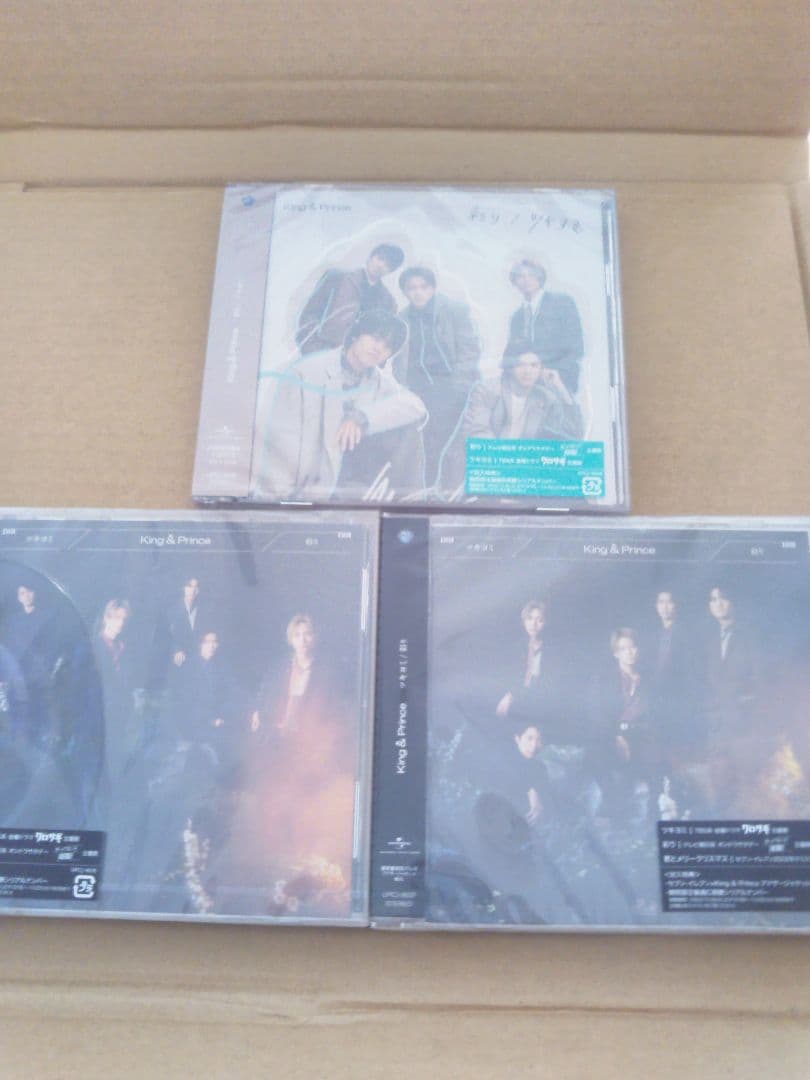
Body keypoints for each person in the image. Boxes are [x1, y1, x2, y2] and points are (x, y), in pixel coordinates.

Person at [253, 309, 426, 501]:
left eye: (387, 347)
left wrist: (360, 417)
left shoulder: (381, 382)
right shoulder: (305, 373)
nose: (379, 348)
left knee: (409, 427)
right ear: (356, 335)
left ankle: (409, 504)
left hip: (352, 479)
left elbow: (416, 406)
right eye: (375, 338)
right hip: (313, 481)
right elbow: (282, 439)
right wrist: (277, 498)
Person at [395, 266, 481, 489]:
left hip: (450, 385)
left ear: (432, 288)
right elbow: (399, 359)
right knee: (419, 442)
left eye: (423, 287)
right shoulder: (402, 318)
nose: (418, 293)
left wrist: (459, 386)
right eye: (412, 288)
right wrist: (401, 388)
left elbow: (470, 350)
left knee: (442, 443)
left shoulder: (454, 310)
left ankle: (440, 489)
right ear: (405, 292)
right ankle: (426, 489)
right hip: (419, 389)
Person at [296, 243, 405, 355]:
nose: (381, 265)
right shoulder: (337, 277)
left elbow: (382, 337)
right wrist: (309, 346)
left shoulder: (388, 302)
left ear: (391, 271)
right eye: (380, 258)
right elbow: (310, 312)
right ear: (370, 257)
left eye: (388, 265)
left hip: (357, 358)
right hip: (321, 348)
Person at [463, 343, 583, 443]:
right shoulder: (486, 390)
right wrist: (507, 457)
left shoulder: (545, 399)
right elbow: (477, 433)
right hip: (482, 460)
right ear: (509, 368)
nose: (527, 371)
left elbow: (574, 436)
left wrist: (561, 390)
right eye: (520, 365)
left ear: (541, 369)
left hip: (519, 462)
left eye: (534, 365)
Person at [506, 258, 584, 394]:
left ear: (540, 278)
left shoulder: (562, 303)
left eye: (531, 275)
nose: (526, 280)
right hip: (528, 382)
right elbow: (512, 354)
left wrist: (554, 373)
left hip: (560, 377)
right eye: (520, 276)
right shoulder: (517, 317)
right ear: (515, 282)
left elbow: (576, 347)